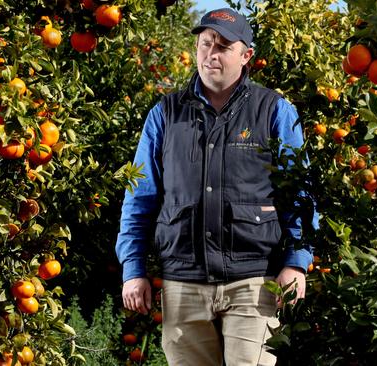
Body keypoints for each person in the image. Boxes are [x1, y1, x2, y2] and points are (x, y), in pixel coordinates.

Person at [115, 8, 315, 366]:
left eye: (223, 46)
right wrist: (133, 269)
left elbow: (301, 193)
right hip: (183, 282)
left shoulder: (274, 110)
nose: (211, 53)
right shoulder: (166, 113)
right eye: (205, 43)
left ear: (246, 55)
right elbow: (139, 196)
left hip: (254, 280)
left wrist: (297, 263)